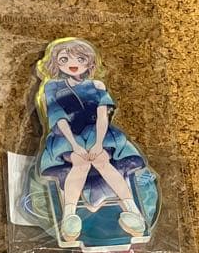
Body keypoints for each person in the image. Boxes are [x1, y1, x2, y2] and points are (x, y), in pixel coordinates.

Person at [35, 37, 148, 242]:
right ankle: (69, 216)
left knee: (102, 160)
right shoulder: (52, 86)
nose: (73, 63)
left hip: (97, 133)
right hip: (66, 135)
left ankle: (133, 211)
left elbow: (103, 116)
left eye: (80, 59)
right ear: (56, 63)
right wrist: (75, 146)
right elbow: (59, 118)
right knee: (79, 163)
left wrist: (98, 143)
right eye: (64, 59)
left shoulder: (96, 85)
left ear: (90, 63)